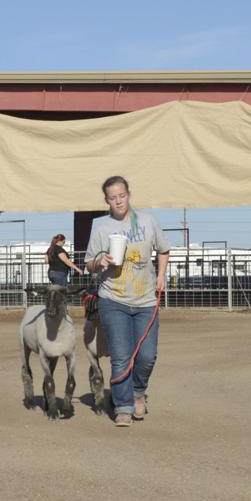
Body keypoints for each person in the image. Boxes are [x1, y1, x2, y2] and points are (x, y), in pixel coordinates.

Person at [85, 176, 170, 427]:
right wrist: (99, 263)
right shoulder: (100, 226)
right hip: (113, 298)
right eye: (113, 197)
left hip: (145, 299)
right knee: (121, 356)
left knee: (147, 356)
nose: (118, 200)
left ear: (129, 195)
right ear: (106, 200)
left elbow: (163, 250)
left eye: (121, 195)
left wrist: (162, 276)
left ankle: (138, 391)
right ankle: (123, 406)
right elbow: (89, 262)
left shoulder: (148, 221)